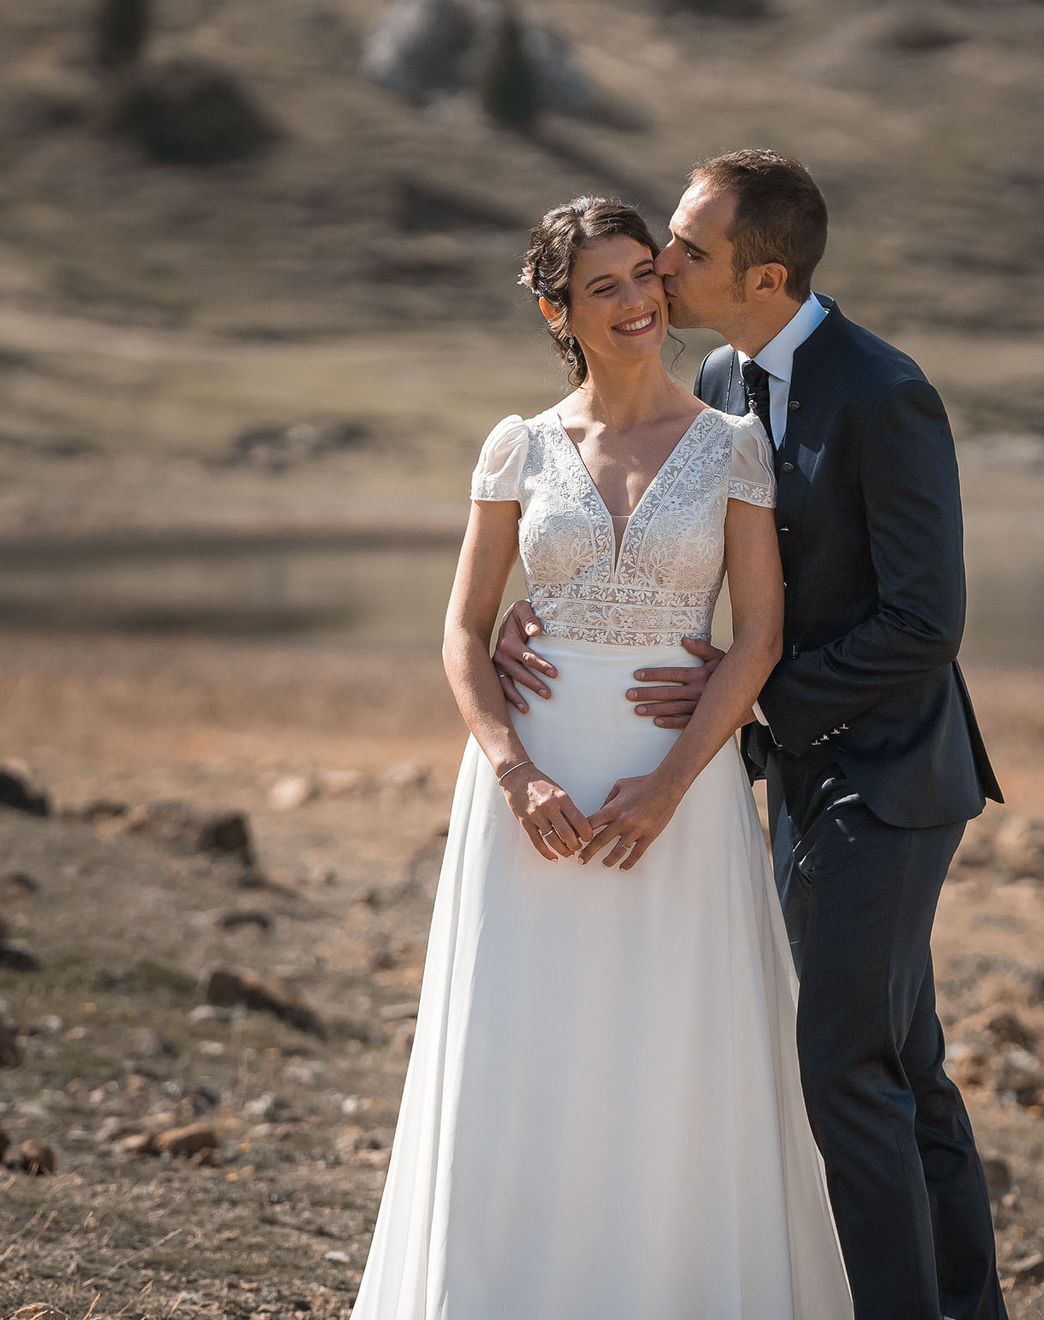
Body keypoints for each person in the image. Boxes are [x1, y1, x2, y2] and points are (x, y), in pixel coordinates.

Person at [493, 151, 1008, 1320]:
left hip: (889, 781)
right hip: (794, 776)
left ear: (764, 274)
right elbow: (666, 530)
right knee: (902, 1071)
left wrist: (756, 694)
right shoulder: (724, 372)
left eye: (687, 250)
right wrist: (554, 598)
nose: (662, 267)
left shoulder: (884, 392)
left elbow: (927, 623)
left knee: (844, 1074)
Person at [352, 196, 852, 1320]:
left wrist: (671, 785)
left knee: (675, 1055)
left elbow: (759, 635)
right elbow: (462, 631)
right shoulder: (518, 445)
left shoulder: (731, 445)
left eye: (645, 275)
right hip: (530, 791)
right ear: (557, 311)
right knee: (522, 1048)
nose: (636, 302)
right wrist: (513, 772)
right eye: (603, 287)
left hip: (678, 791)